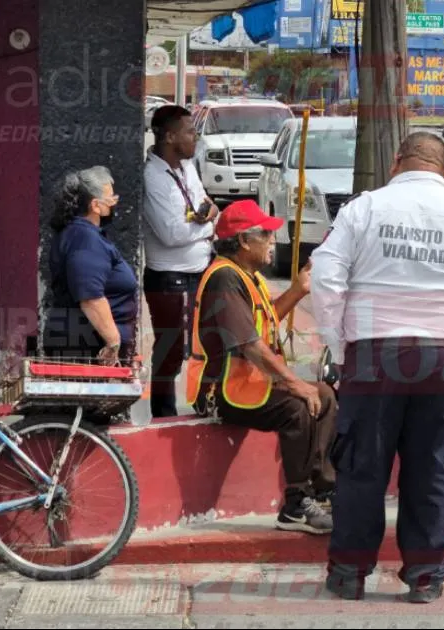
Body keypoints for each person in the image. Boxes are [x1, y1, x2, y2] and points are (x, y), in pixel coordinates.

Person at [310, 132, 444, 604]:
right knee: (437, 467)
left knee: (362, 465)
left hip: (372, 356)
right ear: (443, 170)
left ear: (397, 162)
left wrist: (339, 348)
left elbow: (326, 279)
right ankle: (425, 576)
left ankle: (348, 572)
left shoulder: (363, 210)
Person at [184, 200, 338, 535]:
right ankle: (296, 505)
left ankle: (322, 489)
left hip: (250, 383)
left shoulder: (245, 275)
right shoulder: (224, 278)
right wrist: (294, 383)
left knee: (325, 395)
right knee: (298, 406)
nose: (272, 241)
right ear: (243, 241)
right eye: (266, 235)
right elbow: (250, 346)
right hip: (219, 391)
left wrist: (297, 291)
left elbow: (261, 326)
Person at [142, 105, 220, 417]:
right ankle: (163, 415)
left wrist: (205, 220)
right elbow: (171, 234)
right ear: (170, 136)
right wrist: (208, 225)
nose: (196, 137)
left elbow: (207, 205)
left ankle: (206, 405)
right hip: (169, 278)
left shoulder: (187, 168)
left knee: (208, 344)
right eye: (190, 131)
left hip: (200, 271)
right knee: (170, 352)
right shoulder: (152, 177)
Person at [43, 166, 139, 366]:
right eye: (111, 199)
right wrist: (113, 342)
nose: (114, 204)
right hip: (86, 346)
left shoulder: (82, 235)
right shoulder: (85, 240)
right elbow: (90, 297)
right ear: (96, 206)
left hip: (84, 341)